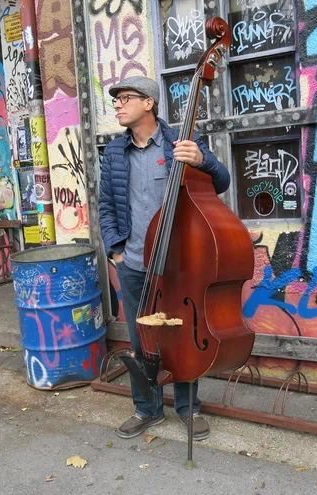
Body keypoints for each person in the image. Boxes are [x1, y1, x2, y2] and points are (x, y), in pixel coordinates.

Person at [99, 76, 231, 441]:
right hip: (134, 263)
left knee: (181, 338)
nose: (118, 105)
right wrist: (116, 250)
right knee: (143, 341)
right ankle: (147, 409)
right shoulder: (114, 152)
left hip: (177, 265)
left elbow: (221, 181)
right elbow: (106, 206)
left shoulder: (180, 143)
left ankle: (189, 409)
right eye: (116, 100)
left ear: (149, 103)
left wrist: (202, 159)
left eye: (126, 98)